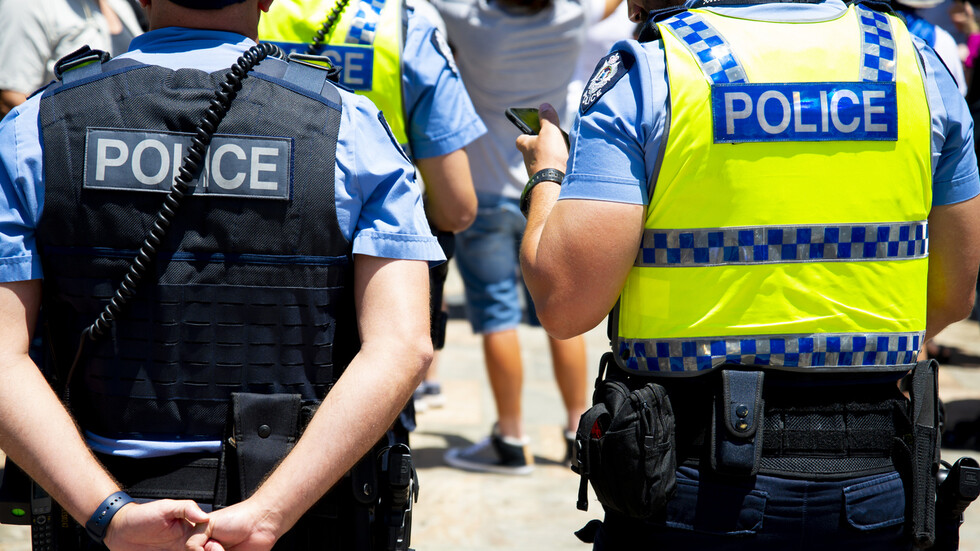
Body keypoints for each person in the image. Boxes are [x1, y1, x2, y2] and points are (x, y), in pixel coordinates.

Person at [517, 0, 980, 547]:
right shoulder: (916, 65)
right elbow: (952, 296)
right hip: (875, 476)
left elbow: (566, 303)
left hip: (693, 481)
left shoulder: (652, 71)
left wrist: (547, 176)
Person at [0, 0, 441, 549]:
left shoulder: (33, 129)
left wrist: (109, 515)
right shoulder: (350, 127)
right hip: (303, 518)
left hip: (100, 512)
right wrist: (268, 515)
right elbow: (403, 346)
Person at [256, 0, 485, 415]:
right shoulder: (405, 29)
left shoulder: (247, 13)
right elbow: (457, 208)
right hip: (372, 311)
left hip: (251, 293)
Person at [429, 0, 590, 475]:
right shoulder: (574, 17)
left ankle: (511, 438)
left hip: (486, 189)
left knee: (496, 315)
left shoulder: (467, 19)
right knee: (562, 314)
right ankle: (577, 433)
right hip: (551, 184)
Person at [0, 0, 146, 117]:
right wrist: (68, 131)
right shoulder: (25, 5)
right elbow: (11, 97)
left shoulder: (121, 4)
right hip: (73, 139)